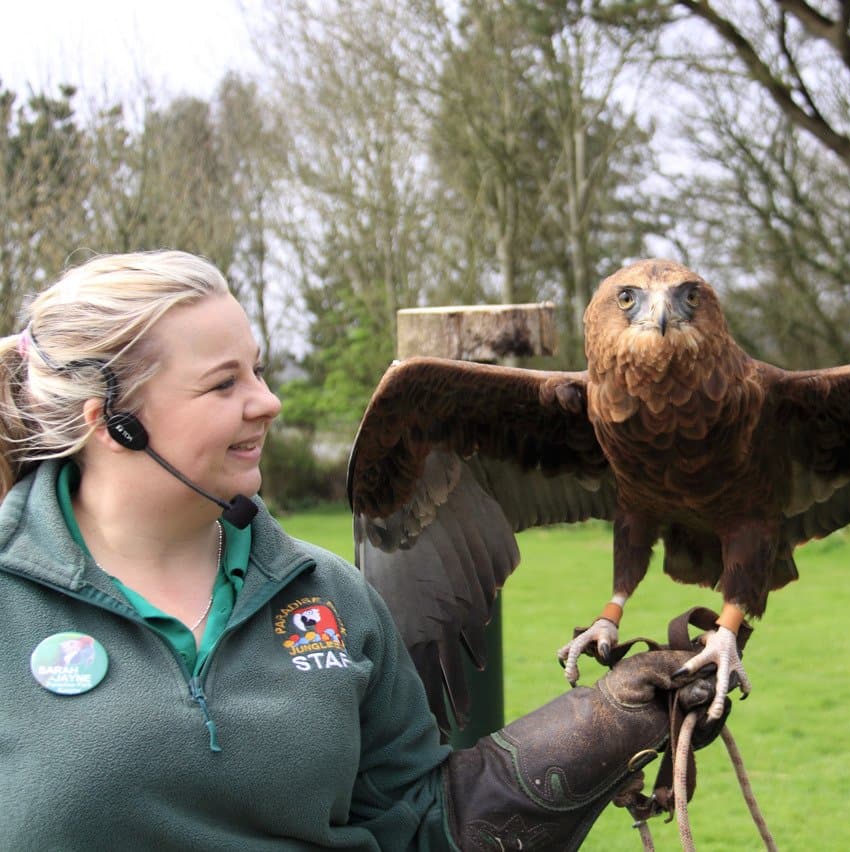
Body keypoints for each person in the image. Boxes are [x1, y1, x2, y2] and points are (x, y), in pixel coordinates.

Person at [0, 250, 726, 851]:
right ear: (112, 422)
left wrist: (595, 729)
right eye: (224, 383)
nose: (267, 401)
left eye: (257, 369)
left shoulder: (329, 599)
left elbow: (418, 827)